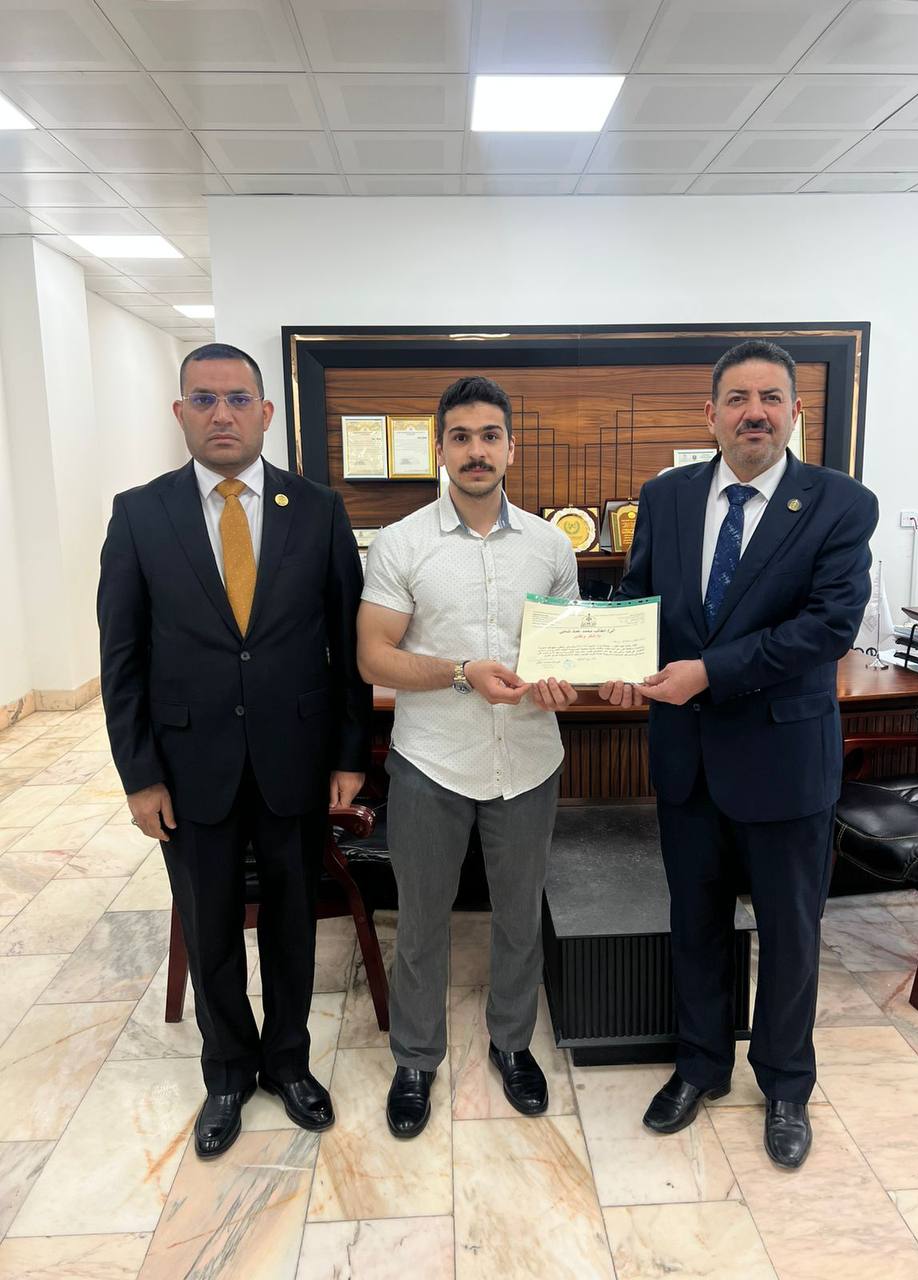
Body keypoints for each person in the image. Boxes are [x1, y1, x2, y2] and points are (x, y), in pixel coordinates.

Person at [602, 339, 878, 1169]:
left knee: (791, 934)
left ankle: (787, 1085)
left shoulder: (839, 503)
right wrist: (617, 657)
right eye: (737, 398)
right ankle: (700, 1065)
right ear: (711, 413)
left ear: (795, 412)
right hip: (686, 759)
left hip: (783, 761)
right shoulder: (667, 495)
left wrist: (707, 673)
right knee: (695, 924)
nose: (754, 412)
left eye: (770, 398)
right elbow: (639, 595)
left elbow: (826, 628)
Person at [98, 342, 370, 1158]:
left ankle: (288, 1061)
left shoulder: (317, 509)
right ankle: (225, 1072)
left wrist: (348, 755)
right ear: (180, 412)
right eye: (205, 399)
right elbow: (122, 658)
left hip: (296, 759)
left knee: (292, 923)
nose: (222, 414)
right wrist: (139, 776)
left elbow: (348, 645)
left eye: (238, 399)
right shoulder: (139, 514)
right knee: (210, 925)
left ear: (266, 412)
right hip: (190, 767)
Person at [357, 375, 578, 1138]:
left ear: (511, 447)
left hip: (529, 761)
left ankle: (511, 1044)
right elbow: (374, 656)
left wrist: (561, 683)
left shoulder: (552, 545)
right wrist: (460, 672)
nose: (476, 451)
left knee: (519, 917)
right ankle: (416, 1059)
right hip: (431, 763)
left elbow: (563, 651)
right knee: (421, 921)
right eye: (461, 437)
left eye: (490, 436)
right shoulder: (402, 542)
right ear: (440, 449)